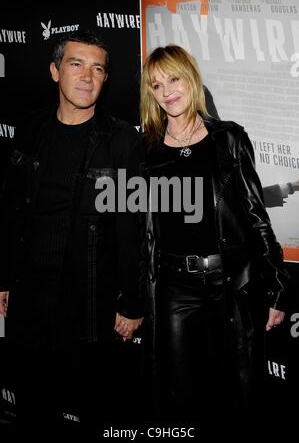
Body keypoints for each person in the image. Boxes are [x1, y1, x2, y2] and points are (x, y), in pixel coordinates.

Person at [140, 45, 291, 436]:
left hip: (232, 285)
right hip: (175, 289)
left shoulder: (229, 139)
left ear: (191, 79)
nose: (167, 91)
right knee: (179, 396)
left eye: (174, 79)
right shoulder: (147, 153)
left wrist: (275, 286)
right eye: (156, 84)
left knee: (238, 396)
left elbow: (257, 216)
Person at [0, 29, 145, 432]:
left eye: (97, 68)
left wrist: (132, 302)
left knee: (98, 412)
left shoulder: (121, 142)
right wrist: (4, 277)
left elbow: (131, 228)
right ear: (53, 71)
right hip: (29, 301)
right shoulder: (30, 130)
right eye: (76, 64)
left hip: (89, 306)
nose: (87, 76)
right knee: (33, 411)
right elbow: (12, 210)